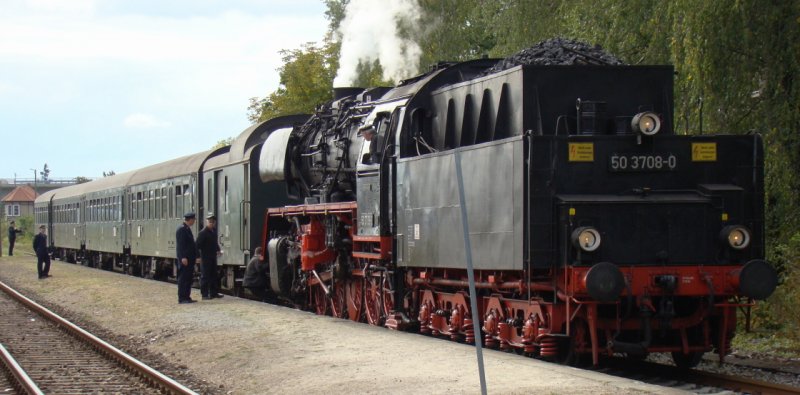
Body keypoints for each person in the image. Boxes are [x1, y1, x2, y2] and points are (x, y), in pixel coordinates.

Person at [196, 213, 223, 300]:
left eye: (213, 222)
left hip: (212, 256)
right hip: (205, 257)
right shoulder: (203, 233)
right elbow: (197, 245)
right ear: (207, 222)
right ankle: (204, 294)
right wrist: (198, 257)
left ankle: (213, 293)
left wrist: (218, 249)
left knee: (213, 275)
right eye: (210, 222)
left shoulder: (213, 231)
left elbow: (215, 242)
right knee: (205, 275)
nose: (211, 223)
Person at [176, 212, 199, 304]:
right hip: (185, 259)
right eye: (193, 220)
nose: (194, 221)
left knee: (188, 278)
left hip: (189, 259)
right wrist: (183, 257)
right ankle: (182, 298)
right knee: (183, 279)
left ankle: (187, 297)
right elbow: (181, 246)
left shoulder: (186, 229)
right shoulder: (182, 230)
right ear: (190, 220)